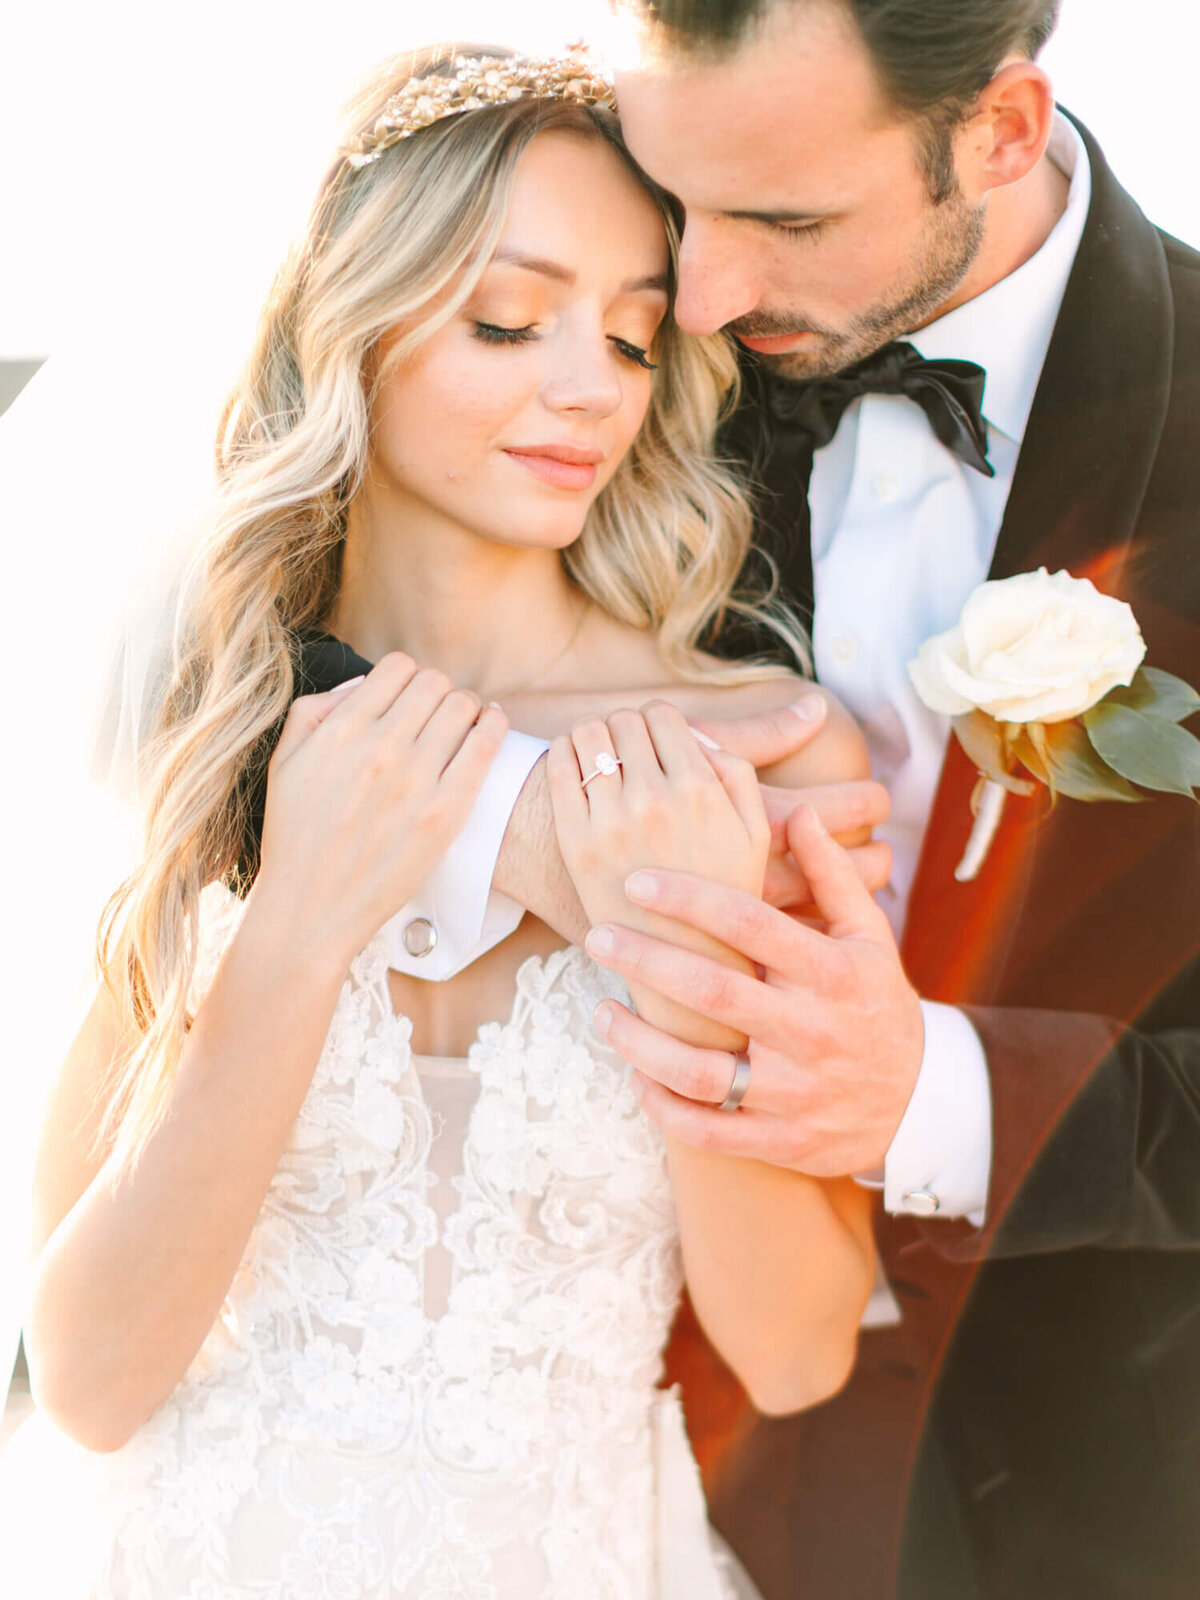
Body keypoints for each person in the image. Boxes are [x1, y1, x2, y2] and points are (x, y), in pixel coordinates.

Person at [0, 43, 878, 1600]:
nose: (586, 391)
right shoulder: (209, 735)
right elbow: (88, 1383)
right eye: (506, 321)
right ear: (355, 325)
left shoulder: (760, 752)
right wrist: (297, 928)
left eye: (626, 338)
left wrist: (677, 958)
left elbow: (800, 1350)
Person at [568, 3, 1194, 1597]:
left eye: (786, 218)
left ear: (1000, 127)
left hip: (1123, 1481)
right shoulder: (580, 371)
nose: (699, 293)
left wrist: (939, 1101)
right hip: (628, 1466)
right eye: (675, 200)